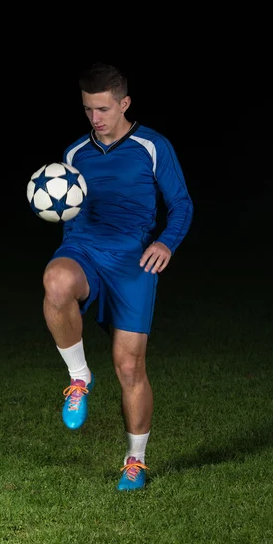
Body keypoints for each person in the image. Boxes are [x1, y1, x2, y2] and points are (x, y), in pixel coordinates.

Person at [42, 62, 193, 491]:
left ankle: (135, 460)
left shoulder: (152, 146)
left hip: (132, 261)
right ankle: (79, 379)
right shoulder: (74, 154)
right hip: (85, 249)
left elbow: (181, 203)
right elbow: (66, 208)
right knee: (56, 280)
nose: (96, 119)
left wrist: (166, 242)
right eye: (89, 109)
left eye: (104, 109)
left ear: (124, 103)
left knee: (129, 366)